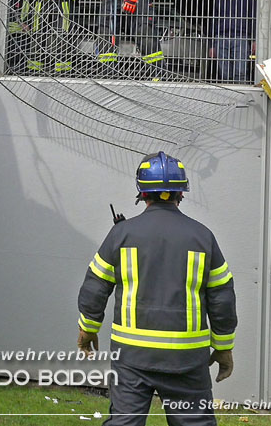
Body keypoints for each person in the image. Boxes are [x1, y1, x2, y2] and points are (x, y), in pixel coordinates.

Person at [77, 151, 237, 426]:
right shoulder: (203, 237)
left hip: (131, 356)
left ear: (142, 193)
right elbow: (222, 297)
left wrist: (88, 329)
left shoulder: (121, 234)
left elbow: (96, 284)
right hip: (186, 358)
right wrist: (223, 347)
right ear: (181, 194)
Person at [210, 0, 256, 83]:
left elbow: (254, 18)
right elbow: (213, 21)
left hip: (241, 37)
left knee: (240, 73)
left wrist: (255, 40)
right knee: (224, 74)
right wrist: (212, 44)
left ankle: (240, 99)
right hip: (221, 37)